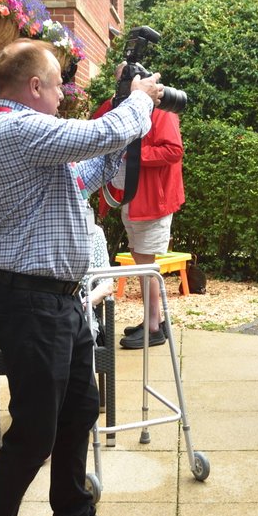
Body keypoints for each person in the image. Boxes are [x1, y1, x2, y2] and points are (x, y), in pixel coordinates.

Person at [0, 39, 163, 516]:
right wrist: (138, 102)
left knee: (80, 408)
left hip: (61, 300)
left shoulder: (36, 146)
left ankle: (71, 513)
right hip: (28, 300)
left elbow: (87, 174)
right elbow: (97, 135)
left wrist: (126, 118)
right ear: (35, 87)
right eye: (58, 87)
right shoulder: (13, 129)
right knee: (34, 430)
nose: (62, 96)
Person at [92, 65, 185, 349]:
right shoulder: (123, 105)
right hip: (133, 196)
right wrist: (117, 98)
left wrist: (132, 155)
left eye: (126, 79)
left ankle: (154, 327)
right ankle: (154, 320)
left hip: (152, 200)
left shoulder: (162, 109)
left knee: (146, 263)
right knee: (140, 257)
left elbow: (173, 150)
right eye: (119, 79)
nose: (121, 83)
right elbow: (96, 124)